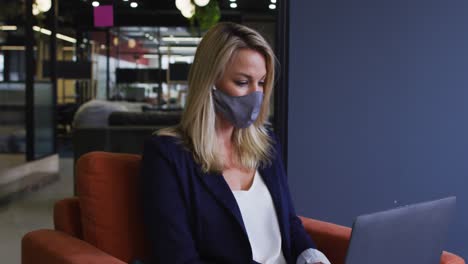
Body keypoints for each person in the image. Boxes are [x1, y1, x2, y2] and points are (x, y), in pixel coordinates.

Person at [140, 22, 331, 264]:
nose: (256, 95)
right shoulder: (167, 155)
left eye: (261, 82)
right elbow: (178, 257)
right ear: (209, 82)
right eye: (242, 82)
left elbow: (289, 223)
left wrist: (311, 257)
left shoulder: (266, 144)